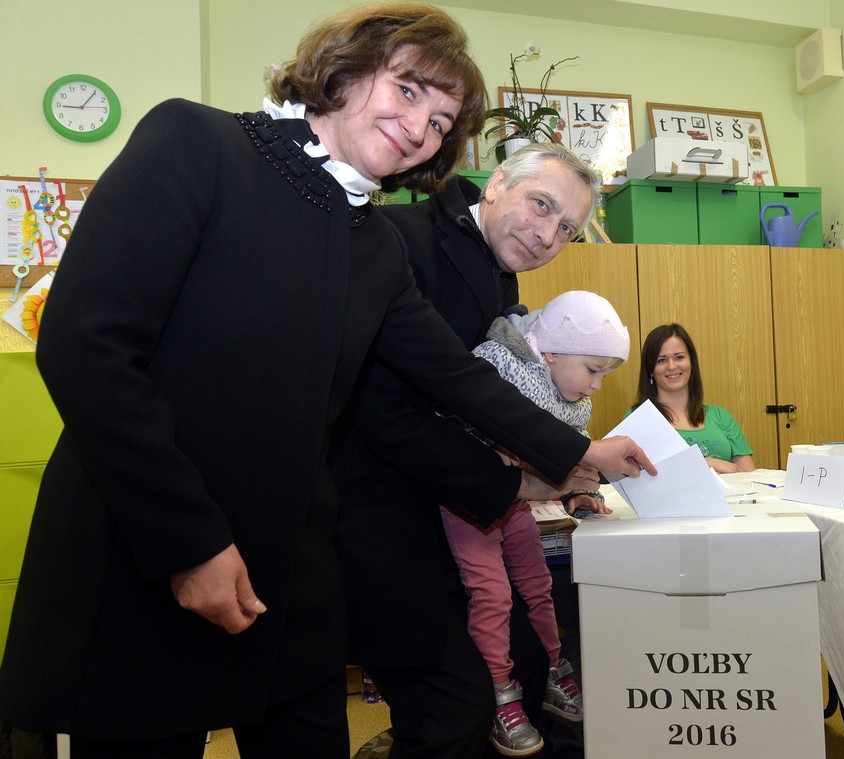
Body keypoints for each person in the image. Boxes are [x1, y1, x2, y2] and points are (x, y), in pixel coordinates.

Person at [0, 6, 654, 759]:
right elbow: (87, 349)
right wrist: (189, 542)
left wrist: (580, 450)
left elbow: (449, 373)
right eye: (408, 90)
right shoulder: (198, 142)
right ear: (345, 69)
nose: (420, 128)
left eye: (441, 122)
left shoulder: (372, 242)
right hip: (149, 540)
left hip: (290, 566)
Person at [333, 142, 602, 759]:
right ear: (498, 182)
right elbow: (394, 411)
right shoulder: (399, 239)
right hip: (379, 521)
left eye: (567, 229)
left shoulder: (499, 272)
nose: (548, 236)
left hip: (452, 516)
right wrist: (549, 467)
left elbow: (491, 401)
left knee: (527, 662)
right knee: (454, 708)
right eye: (541, 205)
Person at [442, 291, 628, 757]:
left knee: (538, 583)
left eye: (604, 375)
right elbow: (455, 424)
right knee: (492, 594)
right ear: (552, 352)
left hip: (518, 505)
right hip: (469, 505)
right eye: (592, 369)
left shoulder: (568, 398)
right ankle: (502, 695)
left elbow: (567, 451)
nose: (596, 386)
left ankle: (554, 670)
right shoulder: (499, 371)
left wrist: (576, 491)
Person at [632, 323, 755, 473]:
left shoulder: (721, 416)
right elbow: (633, 478)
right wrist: (705, 463)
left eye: (679, 357)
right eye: (661, 360)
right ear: (650, 370)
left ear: (691, 362)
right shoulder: (638, 418)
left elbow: (749, 476)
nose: (672, 366)